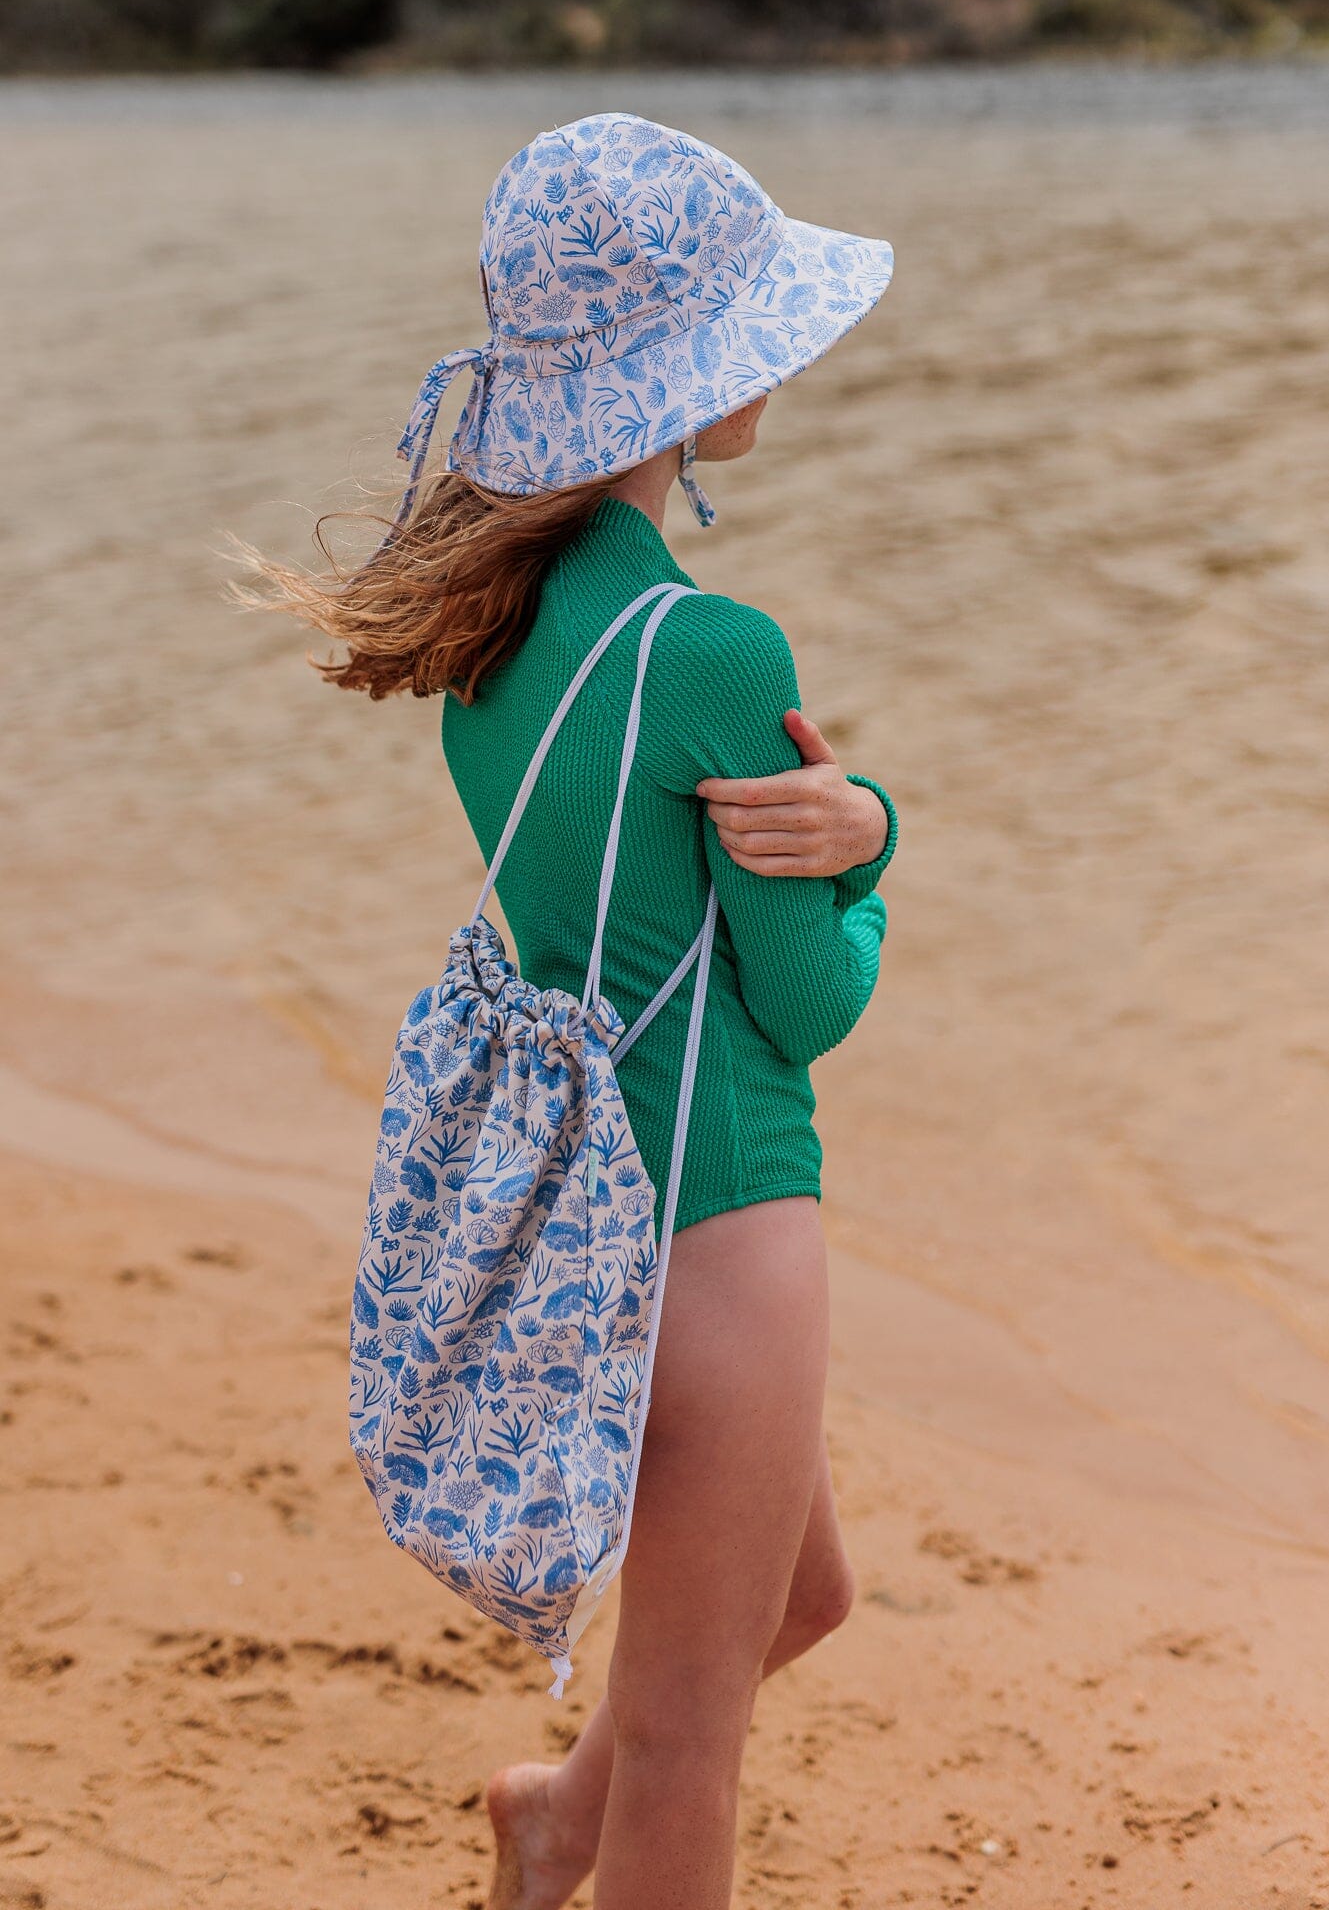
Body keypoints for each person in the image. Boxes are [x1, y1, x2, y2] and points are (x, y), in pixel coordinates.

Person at [240, 112, 898, 1910]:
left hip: (589, 1217)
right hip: (723, 1216)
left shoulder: (488, 622)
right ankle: (578, 1839)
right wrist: (868, 850)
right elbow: (806, 1002)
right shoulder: (711, 651)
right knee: (691, 1749)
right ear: (678, 382)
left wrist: (835, 838)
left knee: (805, 1596)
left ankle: (546, 1818)